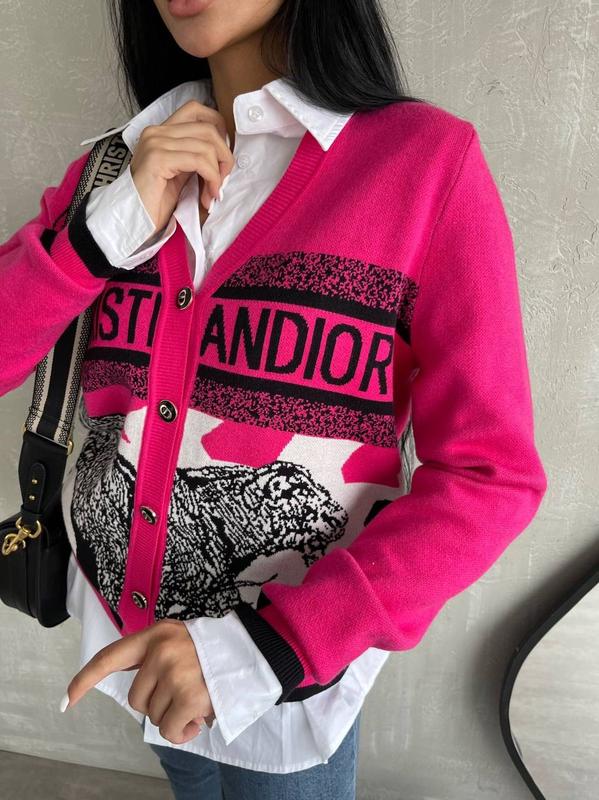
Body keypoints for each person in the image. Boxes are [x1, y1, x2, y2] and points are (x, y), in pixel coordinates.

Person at [0, 0, 548, 798]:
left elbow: (490, 476)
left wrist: (265, 652)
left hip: (287, 676)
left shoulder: (424, 166)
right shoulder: (116, 166)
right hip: (126, 648)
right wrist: (99, 233)